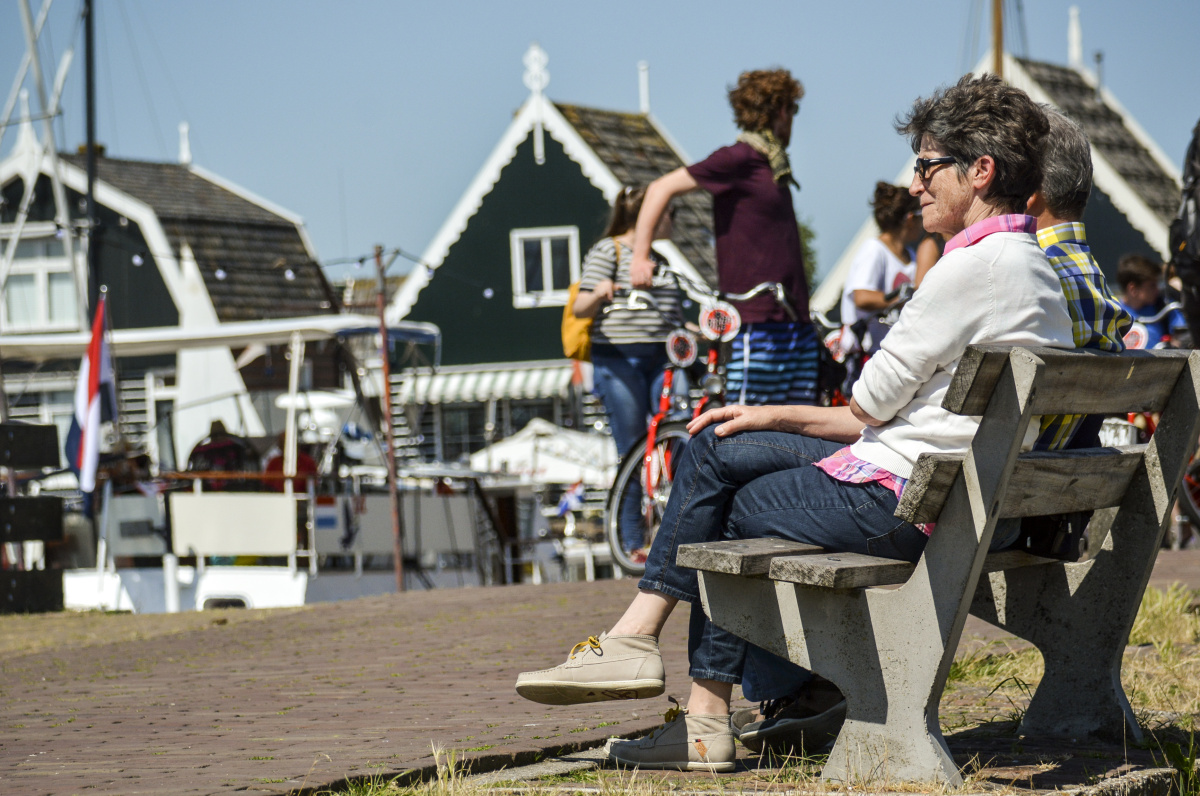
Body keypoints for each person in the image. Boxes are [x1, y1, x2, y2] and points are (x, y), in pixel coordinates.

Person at [516, 74, 1075, 772]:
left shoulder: (967, 272)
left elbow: (869, 403)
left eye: (929, 165)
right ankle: (746, 684)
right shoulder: (1035, 269)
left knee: (723, 491)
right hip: (964, 497)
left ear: (980, 171)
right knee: (720, 445)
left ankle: (698, 702)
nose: (915, 184)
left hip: (905, 500)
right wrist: (769, 414)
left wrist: (770, 416)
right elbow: (882, 409)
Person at [629, 68, 818, 406]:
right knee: (752, 431)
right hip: (757, 323)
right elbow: (660, 188)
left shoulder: (772, 163)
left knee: (800, 427)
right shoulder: (738, 157)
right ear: (781, 111)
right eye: (793, 112)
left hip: (793, 319)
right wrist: (640, 256)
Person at [574, 186, 684, 559]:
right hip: (619, 359)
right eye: (672, 213)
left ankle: (681, 529)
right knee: (633, 449)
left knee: (682, 432)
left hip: (663, 359)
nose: (675, 220)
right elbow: (580, 307)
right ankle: (633, 543)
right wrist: (600, 291)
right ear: (649, 215)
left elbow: (675, 317)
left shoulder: (661, 259)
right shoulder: (610, 251)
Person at [838, 182, 923, 390]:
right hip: (864, 356)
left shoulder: (910, 256)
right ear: (910, 218)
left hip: (887, 354)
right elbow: (861, 297)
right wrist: (901, 299)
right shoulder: (874, 250)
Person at [1117, 254, 1187, 349]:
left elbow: (1185, 336)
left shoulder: (1165, 307)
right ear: (1133, 289)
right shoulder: (1113, 314)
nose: (1157, 290)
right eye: (1152, 285)